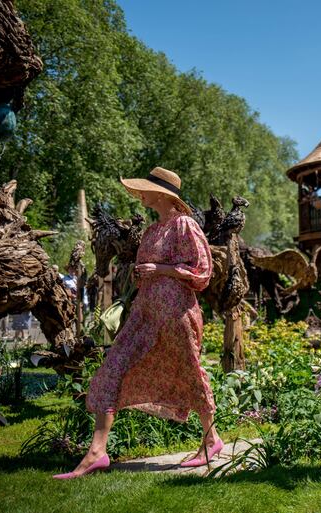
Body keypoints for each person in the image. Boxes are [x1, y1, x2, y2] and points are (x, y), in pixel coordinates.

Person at [53, 166, 219, 479]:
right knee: (112, 366)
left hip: (178, 315)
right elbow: (149, 270)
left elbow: (201, 271)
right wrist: (142, 274)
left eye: (144, 189)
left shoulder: (184, 224)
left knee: (190, 373)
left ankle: (211, 439)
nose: (140, 193)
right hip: (146, 314)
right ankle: (96, 452)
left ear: (163, 194)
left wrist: (161, 269)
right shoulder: (152, 231)